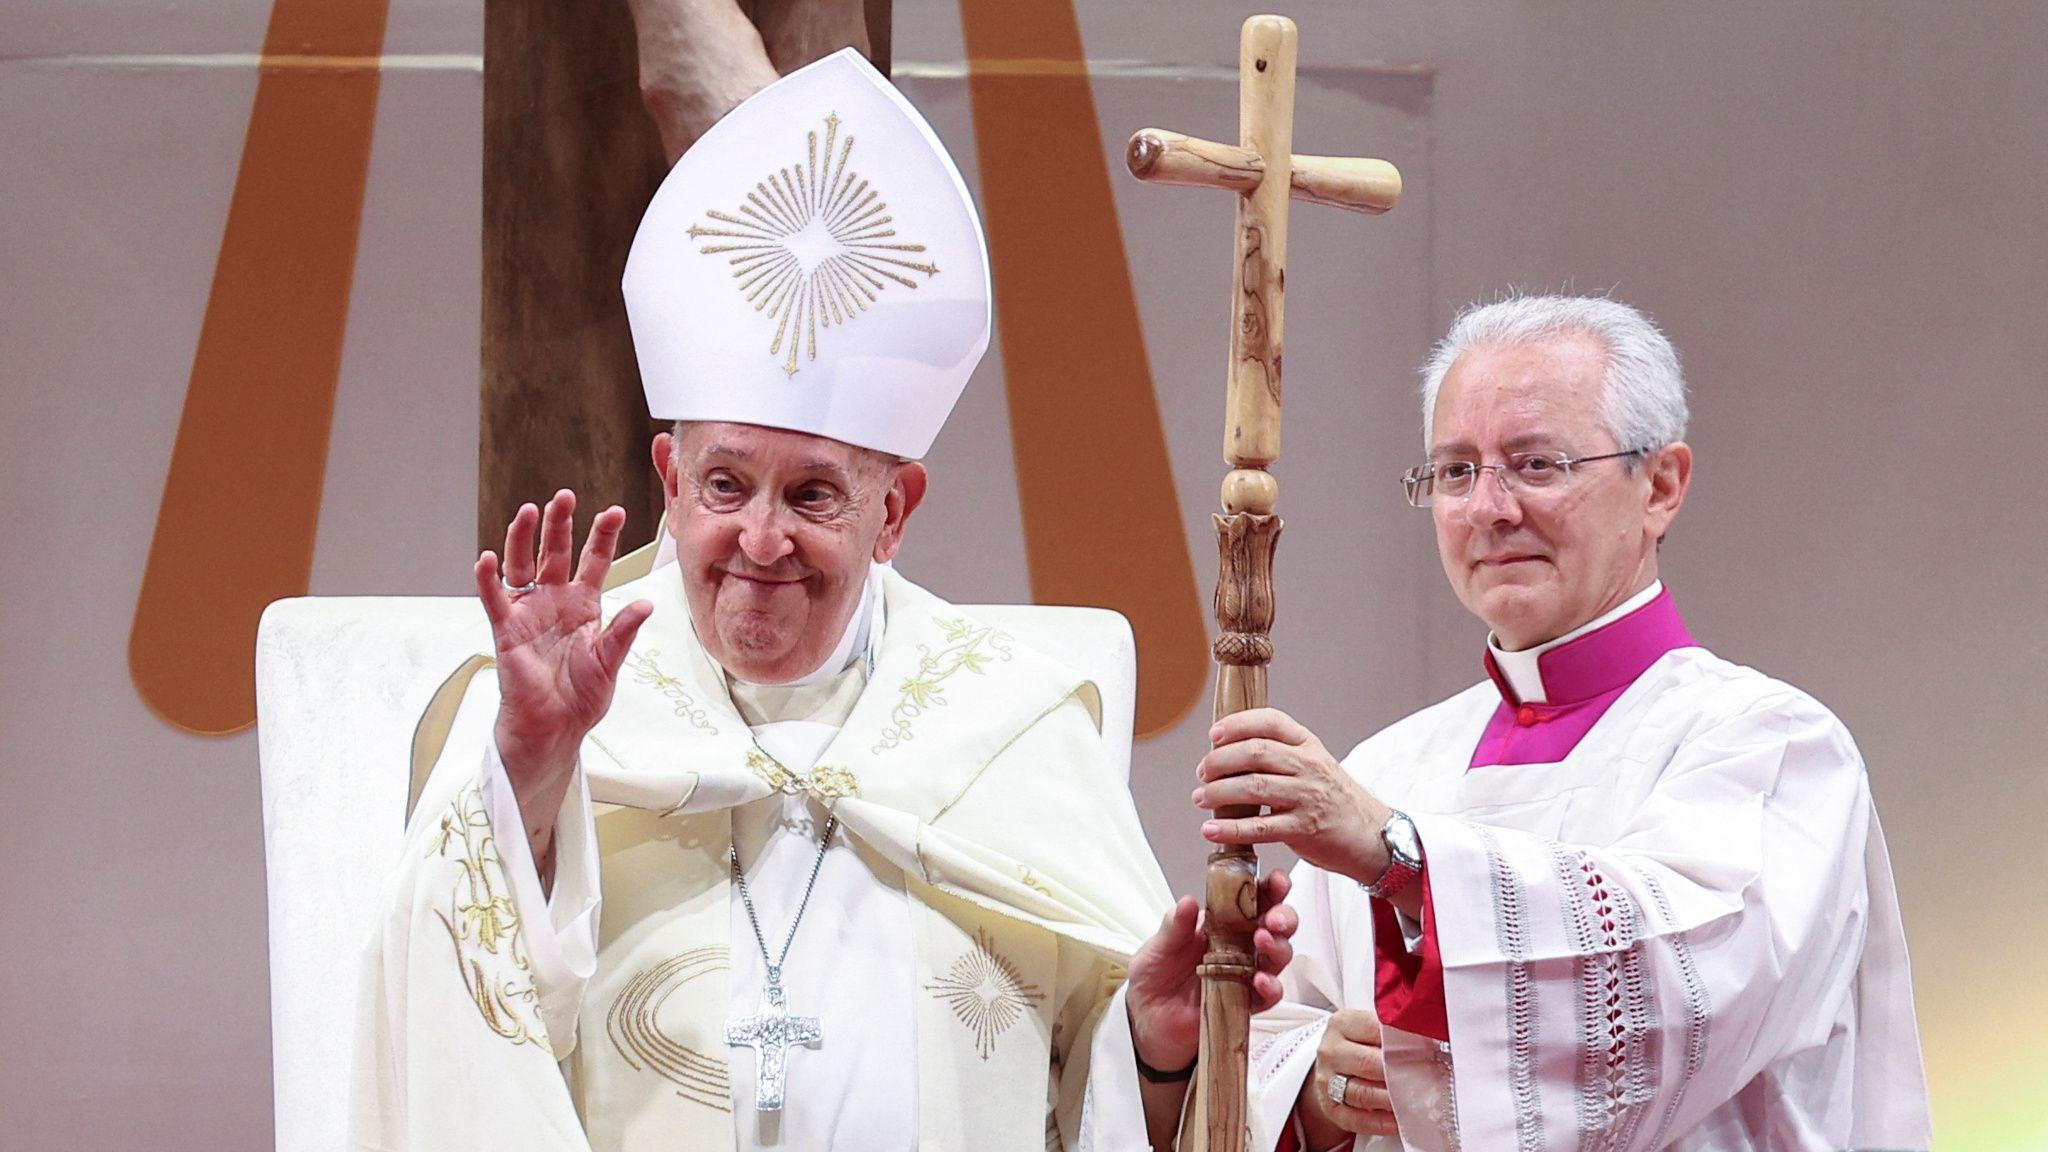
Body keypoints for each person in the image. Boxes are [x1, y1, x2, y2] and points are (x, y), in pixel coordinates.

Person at [349, 49, 1293, 1152]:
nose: (760, 538)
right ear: (666, 483)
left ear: (893, 513)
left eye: (811, 495)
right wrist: (534, 767)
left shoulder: (1012, 733)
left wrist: (1155, 1042)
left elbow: (1107, 1091)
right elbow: (441, 1007)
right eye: (723, 484)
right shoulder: (550, 713)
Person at [1193, 295, 1932, 1150]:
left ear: (1660, 485)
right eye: (1456, 471)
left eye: (1536, 464)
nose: (1489, 509)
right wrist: (1316, 1088)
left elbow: (1676, 1003)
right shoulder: (1390, 764)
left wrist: (1398, 858)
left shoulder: (1774, 747)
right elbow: (1291, 1041)